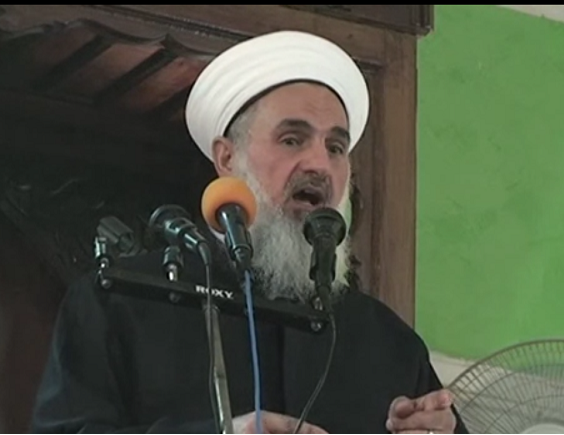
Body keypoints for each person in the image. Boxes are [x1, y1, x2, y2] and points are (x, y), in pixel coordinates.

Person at [31, 30, 466, 434]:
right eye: (292, 139)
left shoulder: (386, 341)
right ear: (227, 158)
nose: (319, 164)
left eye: (336, 147)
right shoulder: (122, 298)